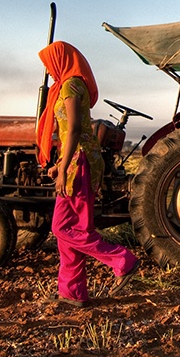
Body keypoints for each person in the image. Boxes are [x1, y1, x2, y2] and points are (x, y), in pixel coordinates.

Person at [37, 41, 139, 308]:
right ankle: (72, 292)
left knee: (61, 227)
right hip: (76, 160)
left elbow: (73, 130)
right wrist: (59, 164)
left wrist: (63, 168)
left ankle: (121, 260)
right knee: (75, 230)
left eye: (49, 64)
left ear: (60, 60)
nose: (48, 71)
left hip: (79, 163)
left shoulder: (71, 85)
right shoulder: (69, 84)